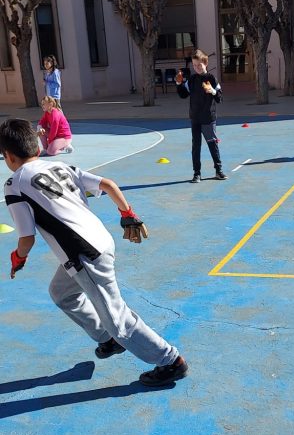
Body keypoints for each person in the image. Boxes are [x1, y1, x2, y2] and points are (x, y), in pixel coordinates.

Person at [0, 118, 188, 389]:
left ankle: (170, 361)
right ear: (37, 147)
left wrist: (18, 258)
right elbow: (108, 184)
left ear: (8, 156)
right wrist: (128, 214)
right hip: (100, 241)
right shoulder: (61, 166)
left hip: (83, 255)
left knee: (118, 320)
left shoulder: (14, 184)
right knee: (62, 293)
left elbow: (26, 238)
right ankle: (107, 339)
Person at [175, 49, 227, 182]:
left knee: (212, 144)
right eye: (194, 65)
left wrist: (213, 91)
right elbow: (183, 95)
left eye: (199, 65)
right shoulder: (192, 80)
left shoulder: (212, 78)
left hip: (208, 118)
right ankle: (196, 173)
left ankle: (218, 170)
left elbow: (220, 98)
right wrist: (179, 84)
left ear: (205, 63)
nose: (197, 67)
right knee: (196, 146)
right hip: (195, 118)